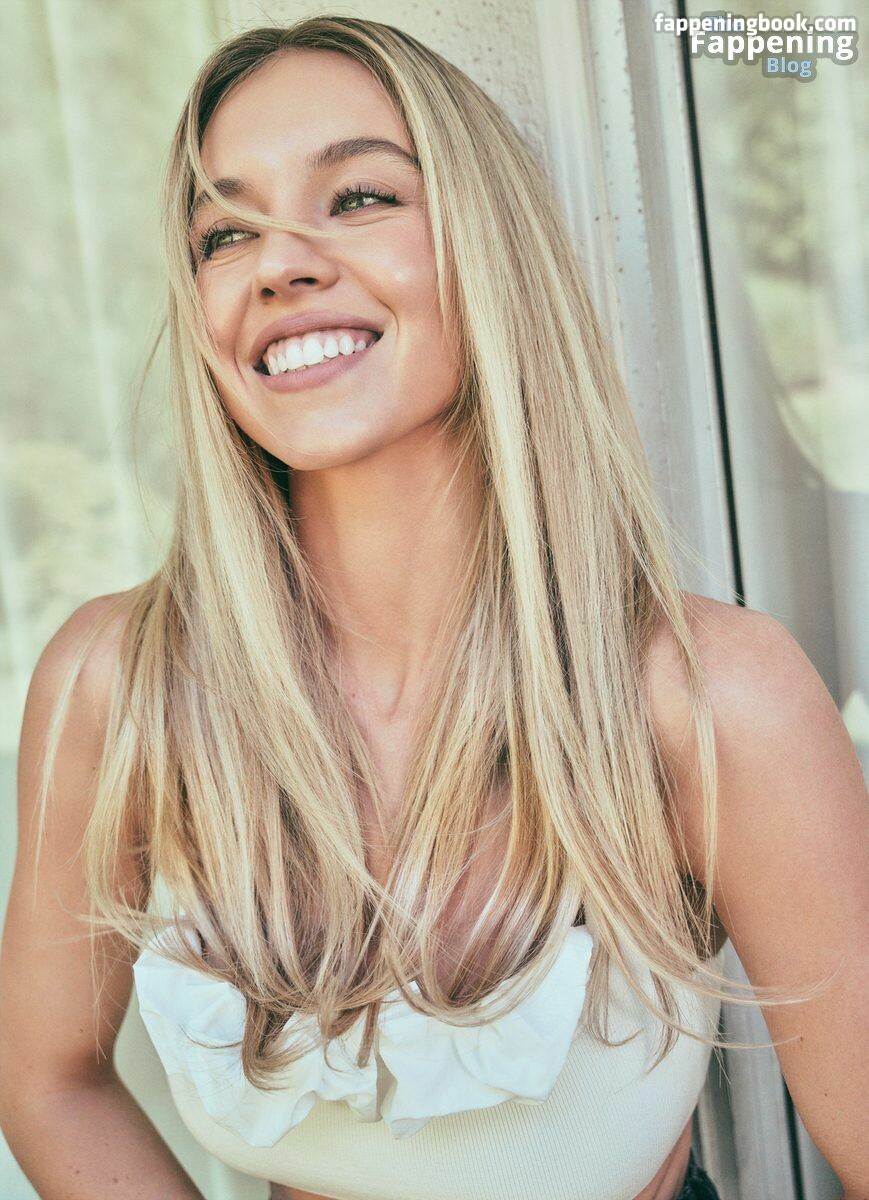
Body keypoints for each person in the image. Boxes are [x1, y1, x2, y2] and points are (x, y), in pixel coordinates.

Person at [1, 15, 866, 1200]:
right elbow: (49, 1079)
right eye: (226, 232)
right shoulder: (117, 683)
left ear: (488, 249)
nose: (278, 264)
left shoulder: (707, 697)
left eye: (358, 197)